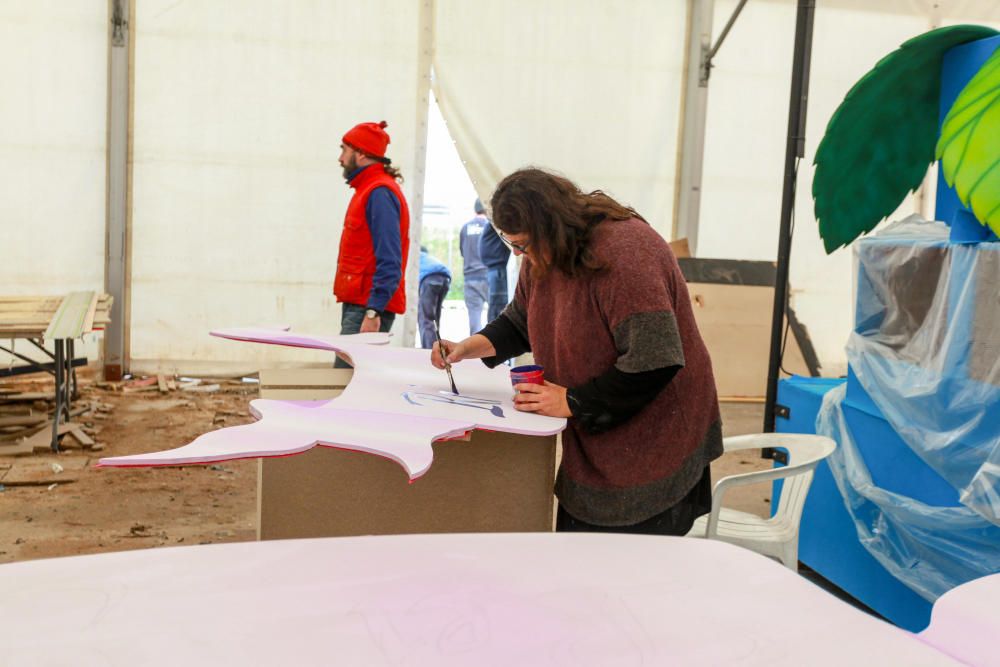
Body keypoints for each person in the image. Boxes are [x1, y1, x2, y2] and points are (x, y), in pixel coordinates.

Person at [432, 168, 723, 536]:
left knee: (636, 563)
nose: (521, 255)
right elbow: (521, 320)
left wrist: (573, 401)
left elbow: (655, 360)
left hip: (658, 428)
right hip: (601, 420)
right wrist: (467, 347)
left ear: (553, 224)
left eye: (524, 245)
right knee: (583, 546)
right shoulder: (540, 253)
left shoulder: (626, 252)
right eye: (513, 245)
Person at [333, 121, 409, 366]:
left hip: (367, 307)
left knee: (347, 381)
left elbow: (390, 258)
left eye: (344, 150)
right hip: (362, 304)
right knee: (348, 381)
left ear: (362, 154)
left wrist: (373, 311)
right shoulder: (369, 190)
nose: (340, 158)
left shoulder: (378, 193)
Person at [459, 199, 489, 334]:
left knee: (474, 318)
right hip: (488, 276)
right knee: (497, 318)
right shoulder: (489, 226)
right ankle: (494, 351)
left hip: (470, 277)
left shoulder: (465, 227)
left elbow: (462, 251)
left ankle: (476, 353)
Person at [478, 205, 512, 322]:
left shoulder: (498, 222)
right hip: (495, 269)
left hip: (499, 269)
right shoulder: (494, 222)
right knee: (496, 305)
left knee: (498, 306)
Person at [417, 246, 452, 349]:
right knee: (434, 320)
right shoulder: (429, 259)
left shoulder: (416, 256)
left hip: (429, 279)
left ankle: (429, 351)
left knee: (425, 319)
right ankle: (437, 348)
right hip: (445, 279)